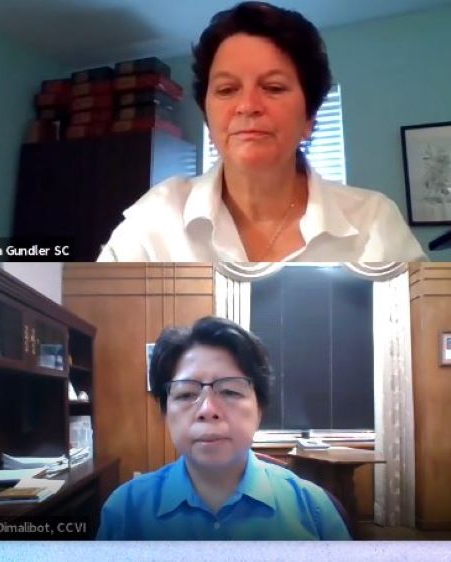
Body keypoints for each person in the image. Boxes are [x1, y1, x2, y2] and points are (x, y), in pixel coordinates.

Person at [98, 1, 425, 262]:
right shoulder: (156, 218)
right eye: (227, 90)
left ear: (309, 118)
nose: (247, 105)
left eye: (273, 87)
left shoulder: (372, 223)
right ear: (208, 120)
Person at [97, 316, 350, 540]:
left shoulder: (314, 511)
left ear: (259, 409)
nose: (207, 409)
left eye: (229, 391)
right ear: (165, 412)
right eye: (186, 394)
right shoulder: (124, 512)